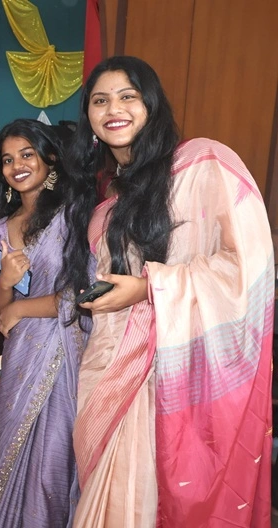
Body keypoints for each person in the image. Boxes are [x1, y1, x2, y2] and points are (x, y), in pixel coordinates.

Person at [64, 56, 273, 526]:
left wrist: (148, 288)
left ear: (152, 105)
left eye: (127, 96)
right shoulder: (106, 206)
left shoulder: (203, 164)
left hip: (174, 373)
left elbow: (248, 263)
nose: (113, 109)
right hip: (111, 367)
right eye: (100, 101)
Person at [0, 119, 90, 527]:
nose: (17, 166)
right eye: (8, 160)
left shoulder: (74, 215)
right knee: (9, 446)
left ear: (51, 158)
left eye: (27, 154)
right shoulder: (0, 229)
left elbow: (85, 293)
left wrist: (20, 309)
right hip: (20, 356)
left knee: (50, 459)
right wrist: (6, 284)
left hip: (63, 350)